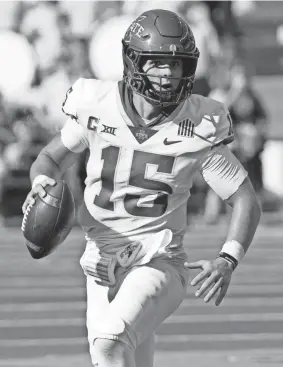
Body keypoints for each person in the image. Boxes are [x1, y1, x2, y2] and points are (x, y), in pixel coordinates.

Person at [22, 9, 261, 367]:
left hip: (157, 260)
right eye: (158, 63)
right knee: (118, 355)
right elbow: (50, 159)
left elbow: (244, 198)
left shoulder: (197, 125)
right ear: (134, 61)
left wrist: (228, 259)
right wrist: (41, 182)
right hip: (99, 262)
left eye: (177, 65)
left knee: (109, 344)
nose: (168, 75)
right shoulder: (98, 105)